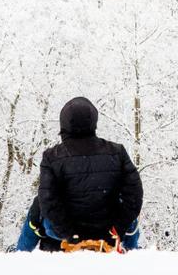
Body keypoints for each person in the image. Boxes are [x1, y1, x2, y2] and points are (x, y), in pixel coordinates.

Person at [36, 97, 143, 251]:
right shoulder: (117, 152)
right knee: (130, 219)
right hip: (108, 232)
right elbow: (134, 195)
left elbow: (48, 201)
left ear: (64, 123)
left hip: (67, 234)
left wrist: (70, 234)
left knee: (37, 209)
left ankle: (19, 255)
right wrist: (117, 228)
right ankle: (132, 253)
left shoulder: (52, 157)